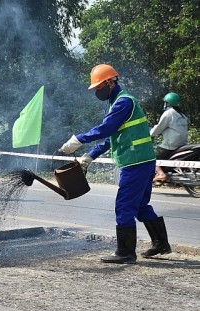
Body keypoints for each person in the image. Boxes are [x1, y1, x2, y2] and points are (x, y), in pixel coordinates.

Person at [60, 64, 171, 264]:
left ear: (110, 82)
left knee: (124, 205)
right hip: (143, 160)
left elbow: (106, 128)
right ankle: (161, 243)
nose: (97, 91)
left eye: (99, 87)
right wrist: (91, 156)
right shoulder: (116, 103)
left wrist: (79, 139)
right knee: (139, 205)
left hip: (135, 162)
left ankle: (125, 252)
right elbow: (112, 136)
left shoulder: (123, 102)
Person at [150, 92, 188, 181]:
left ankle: (161, 174)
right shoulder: (182, 115)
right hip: (182, 144)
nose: (164, 104)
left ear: (169, 103)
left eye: (165, 102)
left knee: (150, 157)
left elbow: (159, 128)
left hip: (171, 145)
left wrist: (150, 134)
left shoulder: (169, 113)